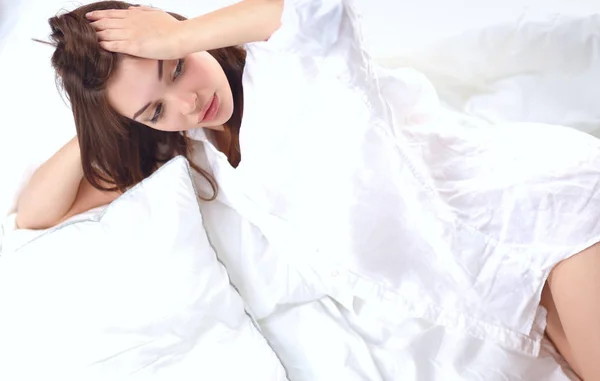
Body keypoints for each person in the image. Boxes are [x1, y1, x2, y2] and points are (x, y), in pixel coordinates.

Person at [14, 0, 600, 379]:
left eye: (177, 69)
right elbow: (38, 212)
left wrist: (172, 37)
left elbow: (306, 10)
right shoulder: (196, 150)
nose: (188, 101)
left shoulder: (289, 64)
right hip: (508, 291)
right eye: (156, 109)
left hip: (543, 215)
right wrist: (110, 115)